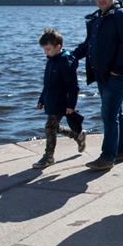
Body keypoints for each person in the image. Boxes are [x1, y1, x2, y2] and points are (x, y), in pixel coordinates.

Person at [72, 0, 123, 169]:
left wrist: (117, 69)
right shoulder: (97, 17)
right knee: (116, 113)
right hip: (102, 74)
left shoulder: (121, 15)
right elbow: (89, 44)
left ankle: (107, 157)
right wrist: (71, 56)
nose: (101, 0)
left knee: (108, 115)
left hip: (119, 74)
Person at [34, 28, 87, 169]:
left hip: (61, 102)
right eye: (44, 50)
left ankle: (48, 157)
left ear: (58, 47)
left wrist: (71, 105)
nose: (46, 53)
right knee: (54, 127)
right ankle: (78, 135)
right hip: (50, 99)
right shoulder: (51, 60)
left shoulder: (65, 62)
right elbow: (47, 83)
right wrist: (41, 99)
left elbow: (73, 86)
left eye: (48, 49)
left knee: (49, 128)